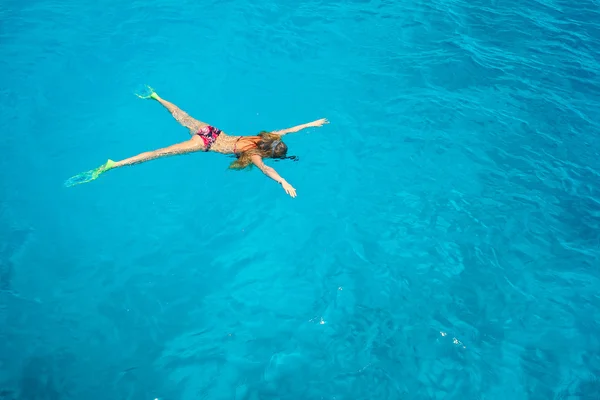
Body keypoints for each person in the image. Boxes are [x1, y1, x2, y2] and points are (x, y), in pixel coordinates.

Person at [64, 86, 329, 198]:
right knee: (159, 152)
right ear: (267, 152)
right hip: (206, 145)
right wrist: (283, 180)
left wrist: (310, 124)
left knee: (182, 115)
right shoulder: (255, 154)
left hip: (213, 131)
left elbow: (288, 130)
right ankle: (114, 164)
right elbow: (268, 169)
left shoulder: (261, 138)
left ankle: (156, 97)